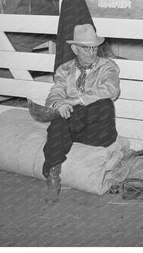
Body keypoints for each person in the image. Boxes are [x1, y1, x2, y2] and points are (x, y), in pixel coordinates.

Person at [42, 24, 120, 205]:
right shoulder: (65, 69)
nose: (92, 52)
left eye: (94, 48)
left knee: (103, 104)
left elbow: (111, 88)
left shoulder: (108, 66)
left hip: (99, 133)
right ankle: (53, 176)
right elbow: (55, 93)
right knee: (60, 117)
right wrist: (59, 104)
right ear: (75, 48)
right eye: (86, 48)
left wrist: (77, 101)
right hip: (74, 130)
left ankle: (63, 119)